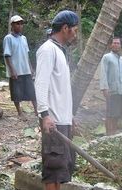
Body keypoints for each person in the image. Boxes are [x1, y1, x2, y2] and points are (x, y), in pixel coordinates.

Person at [35, 10, 79, 190]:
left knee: (60, 171)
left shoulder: (60, 51)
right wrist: (45, 115)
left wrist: (70, 117)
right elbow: (40, 84)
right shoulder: (47, 50)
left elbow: (61, 89)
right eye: (74, 30)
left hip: (62, 119)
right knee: (52, 171)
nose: (75, 34)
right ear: (65, 28)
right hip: (53, 120)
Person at [3, 15, 37, 119]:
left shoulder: (24, 38)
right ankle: (20, 113)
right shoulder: (8, 38)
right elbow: (7, 55)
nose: (20, 25)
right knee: (16, 93)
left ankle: (37, 110)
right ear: (12, 25)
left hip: (26, 69)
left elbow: (26, 54)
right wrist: (12, 70)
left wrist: (31, 68)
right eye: (17, 23)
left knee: (32, 91)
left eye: (21, 23)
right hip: (16, 71)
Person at [100, 37, 122, 136]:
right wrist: (104, 88)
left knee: (118, 114)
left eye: (118, 43)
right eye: (114, 43)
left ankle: (113, 134)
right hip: (111, 91)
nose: (116, 45)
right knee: (110, 114)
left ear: (120, 46)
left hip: (121, 91)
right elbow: (103, 73)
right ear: (110, 45)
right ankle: (109, 134)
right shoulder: (107, 57)